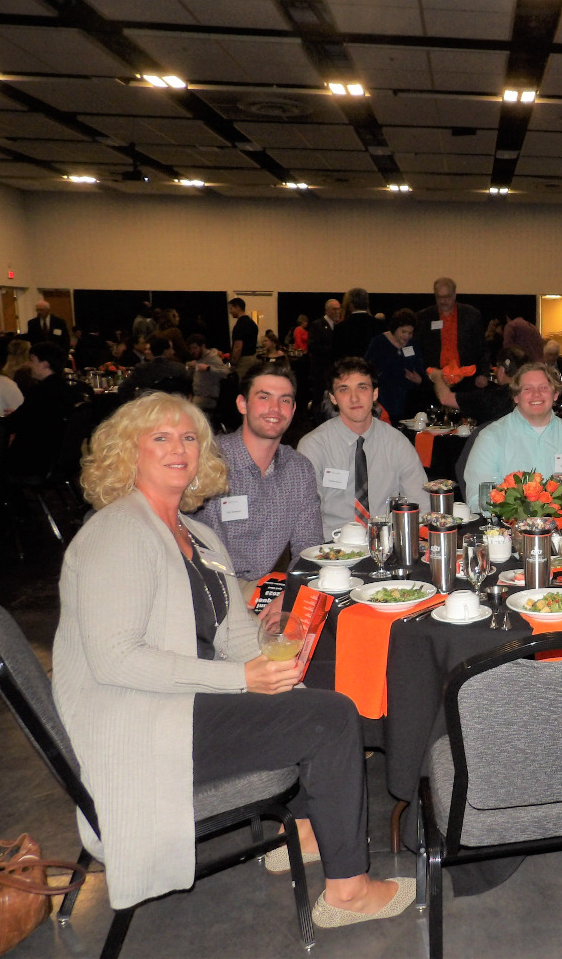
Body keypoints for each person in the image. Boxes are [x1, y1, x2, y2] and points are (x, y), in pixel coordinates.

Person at [50, 392, 413, 927]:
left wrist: (278, 665)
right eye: (161, 438)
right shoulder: (116, 532)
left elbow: (234, 632)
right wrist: (243, 676)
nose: (180, 448)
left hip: (183, 701)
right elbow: (115, 661)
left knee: (320, 684)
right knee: (331, 717)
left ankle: (311, 827)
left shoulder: (193, 534)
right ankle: (349, 892)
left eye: (190, 438)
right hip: (142, 721)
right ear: (126, 453)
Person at [197, 360, 322, 593]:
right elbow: (191, 547)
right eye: (264, 397)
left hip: (268, 588)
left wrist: (290, 594)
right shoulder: (209, 462)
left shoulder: (299, 470)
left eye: (284, 400)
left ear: (293, 410)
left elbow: (309, 547)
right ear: (242, 404)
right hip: (212, 587)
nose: (275, 408)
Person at [298, 357, 429, 539]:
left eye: (362, 387)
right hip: (331, 546)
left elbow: (420, 506)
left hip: (385, 544)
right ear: (333, 398)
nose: (354, 398)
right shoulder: (314, 446)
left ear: (375, 394)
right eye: (344, 390)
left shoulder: (396, 442)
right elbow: (304, 518)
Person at [463, 362, 562, 497]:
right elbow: (479, 499)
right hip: (508, 518)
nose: (536, 394)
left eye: (544, 388)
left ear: (555, 394)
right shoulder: (490, 438)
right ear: (516, 396)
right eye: (527, 389)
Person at [3, 341, 87, 478]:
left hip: (38, 459)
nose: (29, 365)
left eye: (32, 361)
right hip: (63, 458)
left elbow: (14, 424)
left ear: (45, 364)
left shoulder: (40, 392)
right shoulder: (68, 390)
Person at [415, 277, 487, 388]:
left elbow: (482, 348)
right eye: (439, 297)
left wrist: (483, 374)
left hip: (466, 379)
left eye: (447, 297)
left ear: (454, 295)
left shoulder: (471, 315)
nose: (443, 301)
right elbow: (418, 348)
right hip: (434, 380)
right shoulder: (424, 317)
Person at [430, 345, 525, 427]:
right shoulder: (527, 394)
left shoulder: (491, 397)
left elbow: (445, 398)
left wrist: (437, 376)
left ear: (501, 371)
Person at [363, 309, 424, 422]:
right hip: (385, 400)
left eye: (410, 333)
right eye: (403, 332)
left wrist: (420, 380)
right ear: (394, 329)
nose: (407, 336)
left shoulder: (413, 344)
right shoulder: (379, 342)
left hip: (409, 403)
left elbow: (420, 367)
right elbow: (366, 369)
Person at [116, 333, 189, 402]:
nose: (173, 352)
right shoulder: (180, 368)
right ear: (165, 351)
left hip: (149, 408)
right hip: (175, 406)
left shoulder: (142, 369)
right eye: (171, 349)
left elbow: (123, 388)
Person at [331, 287, 379, 362]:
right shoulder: (379, 325)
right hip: (372, 370)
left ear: (350, 304)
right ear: (367, 303)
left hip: (349, 369)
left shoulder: (340, 327)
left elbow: (336, 356)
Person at [184, 333, 229, 413]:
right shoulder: (198, 359)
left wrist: (208, 368)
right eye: (190, 349)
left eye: (194, 348)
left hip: (208, 398)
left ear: (202, 347)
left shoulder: (212, 357)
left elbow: (225, 373)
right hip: (197, 396)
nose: (192, 351)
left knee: (188, 410)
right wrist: (190, 370)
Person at [227, 297, 259, 378]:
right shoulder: (252, 323)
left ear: (237, 307)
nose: (230, 312)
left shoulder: (240, 325)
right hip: (253, 358)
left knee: (242, 385)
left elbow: (238, 347)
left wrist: (232, 362)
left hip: (243, 361)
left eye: (231, 308)